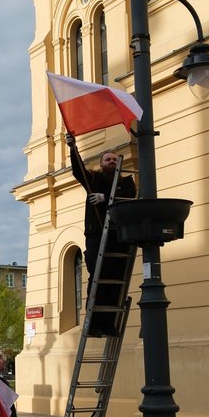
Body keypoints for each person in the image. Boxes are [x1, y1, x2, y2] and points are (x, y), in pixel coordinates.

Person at [68, 137, 137, 336]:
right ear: (101, 164)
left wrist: (105, 198)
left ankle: (109, 323)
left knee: (115, 279)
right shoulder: (94, 180)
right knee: (98, 277)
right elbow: (77, 170)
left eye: (114, 160)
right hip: (97, 235)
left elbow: (129, 195)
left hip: (118, 237)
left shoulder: (125, 181)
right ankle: (94, 324)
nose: (112, 163)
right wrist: (73, 148)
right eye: (108, 160)